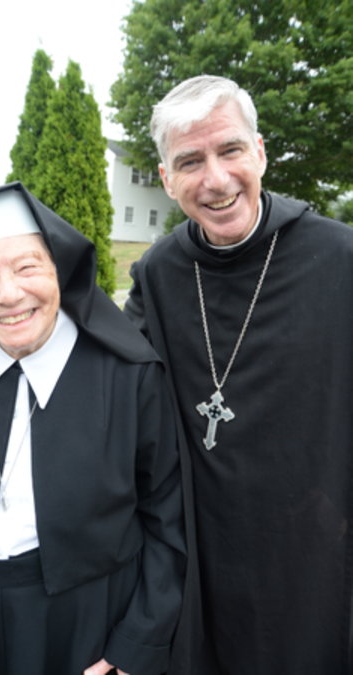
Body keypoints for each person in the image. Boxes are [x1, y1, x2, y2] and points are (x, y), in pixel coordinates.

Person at [0, 182, 185, 675]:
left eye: (27, 267)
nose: (9, 294)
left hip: (92, 623)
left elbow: (168, 515)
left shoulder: (129, 375)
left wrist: (138, 642)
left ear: (59, 268)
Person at [124, 74, 353, 674]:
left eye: (230, 150)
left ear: (260, 152)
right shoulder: (157, 275)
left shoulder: (341, 258)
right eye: (190, 161)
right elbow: (113, 400)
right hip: (204, 559)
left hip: (319, 556)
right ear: (167, 178)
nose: (217, 179)